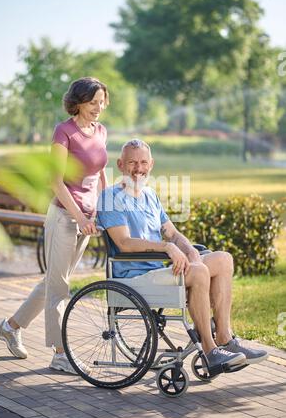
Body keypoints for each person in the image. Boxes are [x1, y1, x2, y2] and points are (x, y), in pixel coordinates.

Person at [96, 139, 268, 370]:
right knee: (197, 273)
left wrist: (189, 251)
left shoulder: (149, 196)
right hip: (135, 277)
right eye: (132, 163)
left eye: (143, 162)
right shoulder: (110, 198)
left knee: (223, 259)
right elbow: (124, 243)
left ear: (151, 164)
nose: (138, 169)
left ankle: (225, 338)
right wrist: (167, 248)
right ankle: (210, 351)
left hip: (160, 270)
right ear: (120, 165)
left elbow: (173, 233)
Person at [0, 76, 109, 374]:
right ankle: (60, 354)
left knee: (53, 282)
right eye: (93, 102)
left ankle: (10, 326)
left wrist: (104, 209)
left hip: (87, 220)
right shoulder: (64, 132)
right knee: (60, 287)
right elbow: (56, 181)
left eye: (101, 102)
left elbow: (101, 174)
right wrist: (80, 217)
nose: (98, 108)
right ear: (78, 102)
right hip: (64, 218)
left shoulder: (101, 131)